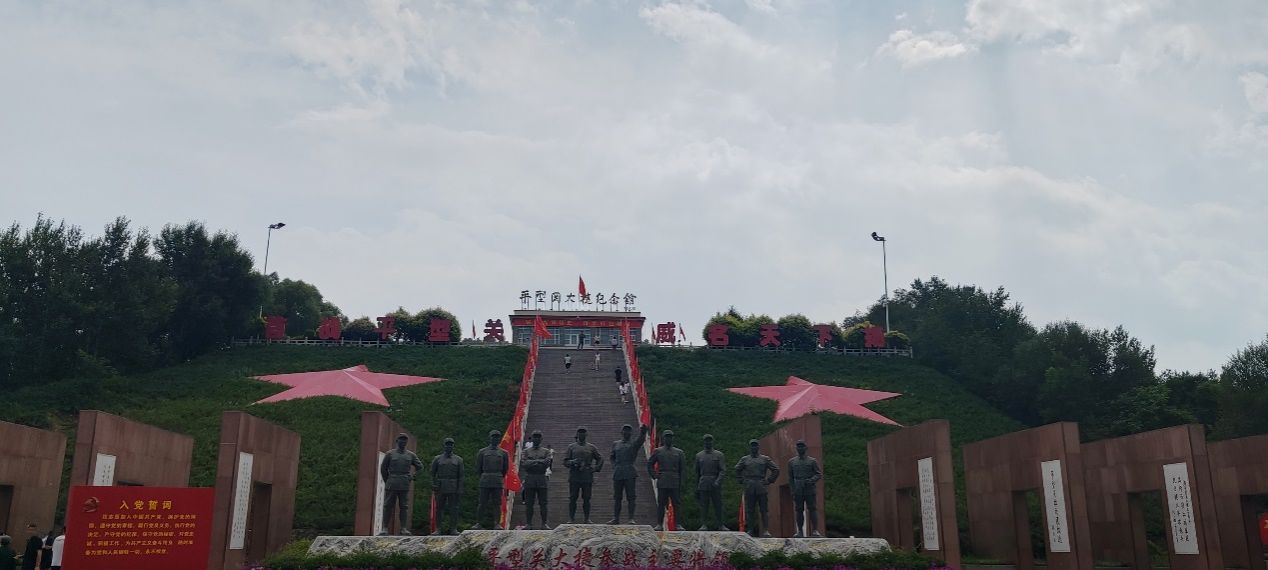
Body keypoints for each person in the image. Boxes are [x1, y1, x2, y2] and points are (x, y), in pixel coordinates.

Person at [380, 433, 424, 535]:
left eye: (405, 440)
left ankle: (403, 528)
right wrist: (388, 480)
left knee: (404, 506)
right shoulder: (390, 454)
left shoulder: (411, 455)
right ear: (397, 441)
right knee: (388, 506)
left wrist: (412, 477)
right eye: (401, 439)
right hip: (392, 482)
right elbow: (383, 469)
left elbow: (420, 467)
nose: (403, 441)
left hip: (404, 482)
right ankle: (385, 528)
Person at [735, 439, 779, 537]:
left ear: (758, 447)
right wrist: (741, 480)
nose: (754, 447)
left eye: (755, 445)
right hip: (749, 485)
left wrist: (769, 480)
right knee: (750, 509)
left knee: (764, 509)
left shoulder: (765, 459)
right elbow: (737, 469)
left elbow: (775, 469)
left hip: (761, 485)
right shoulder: (745, 459)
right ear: (750, 447)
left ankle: (766, 530)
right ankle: (750, 530)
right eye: (752, 446)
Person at [607, 424, 647, 524]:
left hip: (630, 471)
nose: (626, 432)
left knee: (631, 497)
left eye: (628, 431)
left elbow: (640, 441)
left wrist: (643, 433)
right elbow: (612, 457)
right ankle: (616, 518)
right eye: (625, 430)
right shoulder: (616, 444)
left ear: (631, 433)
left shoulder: (633, 444)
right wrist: (614, 466)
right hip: (618, 472)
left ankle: (631, 518)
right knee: (617, 497)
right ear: (622, 432)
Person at [647, 429, 687, 531]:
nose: (669, 439)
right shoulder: (658, 451)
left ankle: (678, 524)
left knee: (676, 504)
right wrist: (654, 475)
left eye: (670, 437)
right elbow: (650, 464)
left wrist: (682, 482)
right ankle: (659, 524)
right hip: (663, 480)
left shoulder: (679, 452)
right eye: (667, 437)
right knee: (661, 503)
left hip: (675, 480)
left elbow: (682, 469)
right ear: (663, 438)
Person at [565, 426, 603, 523]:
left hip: (587, 475)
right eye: (580, 432)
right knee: (573, 498)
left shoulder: (591, 447)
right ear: (577, 434)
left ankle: (587, 518)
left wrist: (595, 468)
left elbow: (600, 458)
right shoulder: (571, 447)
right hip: (575, 474)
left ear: (586, 434)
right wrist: (573, 462)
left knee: (587, 498)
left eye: (583, 432)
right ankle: (571, 518)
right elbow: (565, 462)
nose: (581, 434)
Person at [474, 430, 509, 530]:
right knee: (482, 503)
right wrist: (485, 475)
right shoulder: (482, 452)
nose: (495, 439)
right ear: (489, 438)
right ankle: (478, 523)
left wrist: (499, 476)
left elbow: (505, 469)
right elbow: (478, 468)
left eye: (497, 437)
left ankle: (497, 523)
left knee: (497, 503)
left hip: (497, 479)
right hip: (485, 479)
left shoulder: (503, 453)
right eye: (493, 437)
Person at [788, 440, 823, 538]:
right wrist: (792, 490)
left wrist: (811, 480)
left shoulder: (812, 461)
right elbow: (790, 478)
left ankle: (815, 530)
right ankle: (800, 531)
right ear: (796, 448)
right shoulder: (791, 462)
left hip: (809, 488)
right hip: (798, 488)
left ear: (805, 448)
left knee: (812, 509)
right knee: (799, 510)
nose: (800, 448)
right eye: (798, 447)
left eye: (802, 446)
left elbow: (818, 474)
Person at [430, 437, 465, 535]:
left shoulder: (458, 459)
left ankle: (453, 529)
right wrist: (433, 484)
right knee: (439, 508)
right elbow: (432, 473)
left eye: (451, 445)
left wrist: (460, 488)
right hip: (440, 486)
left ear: (453, 446)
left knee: (454, 508)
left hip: (453, 486)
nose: (449, 446)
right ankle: (438, 529)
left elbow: (461, 475)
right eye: (447, 444)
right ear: (444, 446)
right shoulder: (437, 459)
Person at [520, 430, 553, 529]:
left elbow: (547, 463)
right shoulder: (526, 451)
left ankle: (544, 523)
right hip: (530, 478)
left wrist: (532, 462)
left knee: (543, 503)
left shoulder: (546, 451)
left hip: (541, 478)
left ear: (541, 439)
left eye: (538, 437)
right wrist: (539, 461)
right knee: (529, 503)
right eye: (535, 437)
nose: (536, 439)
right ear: (532, 438)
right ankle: (529, 523)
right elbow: (524, 464)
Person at [695, 434, 727, 531]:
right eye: (706, 441)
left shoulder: (719, 455)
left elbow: (722, 470)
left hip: (715, 482)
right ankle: (704, 524)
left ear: (712, 442)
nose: (708, 442)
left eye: (709, 440)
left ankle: (721, 524)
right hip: (703, 482)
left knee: (718, 505)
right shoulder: (699, 455)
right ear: (704, 442)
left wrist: (718, 481)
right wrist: (697, 486)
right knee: (704, 505)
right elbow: (697, 472)